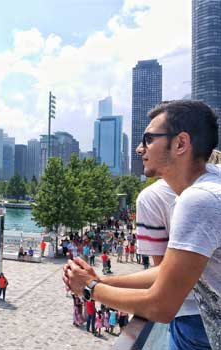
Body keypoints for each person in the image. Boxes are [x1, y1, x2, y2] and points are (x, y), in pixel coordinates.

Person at [63, 100, 221, 350]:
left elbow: (161, 306)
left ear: (180, 143)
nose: (139, 148)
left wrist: (89, 288)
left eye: (148, 139)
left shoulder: (198, 199)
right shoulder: (210, 183)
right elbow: (170, 271)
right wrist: (103, 280)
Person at [134, 149, 221, 349]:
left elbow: (164, 280)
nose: (140, 149)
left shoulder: (153, 198)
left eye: (149, 140)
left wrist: (93, 287)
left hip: (190, 314)